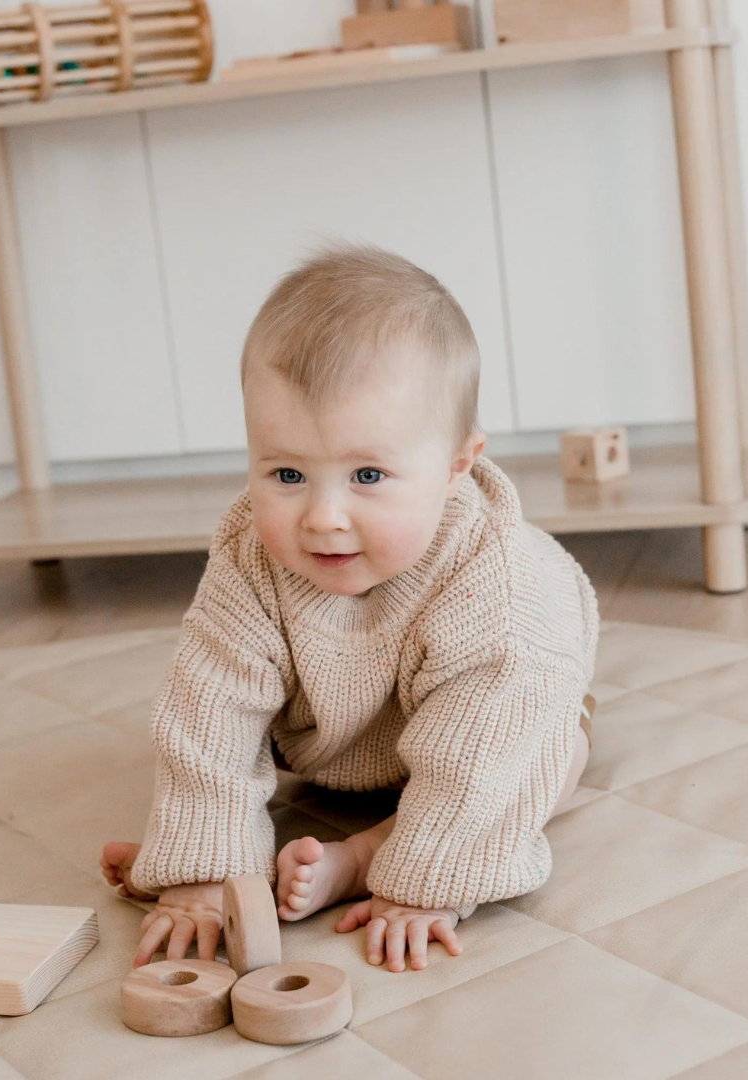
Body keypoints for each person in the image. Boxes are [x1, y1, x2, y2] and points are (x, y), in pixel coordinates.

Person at [101, 243, 599, 973]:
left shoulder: (501, 591)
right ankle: (232, 858)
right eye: (288, 473)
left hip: (498, 716)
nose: (323, 517)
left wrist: (428, 883)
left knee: (552, 755)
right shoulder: (251, 557)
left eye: (368, 474)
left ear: (457, 463)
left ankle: (368, 857)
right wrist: (205, 867)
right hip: (333, 737)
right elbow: (207, 708)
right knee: (210, 722)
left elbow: (487, 751)